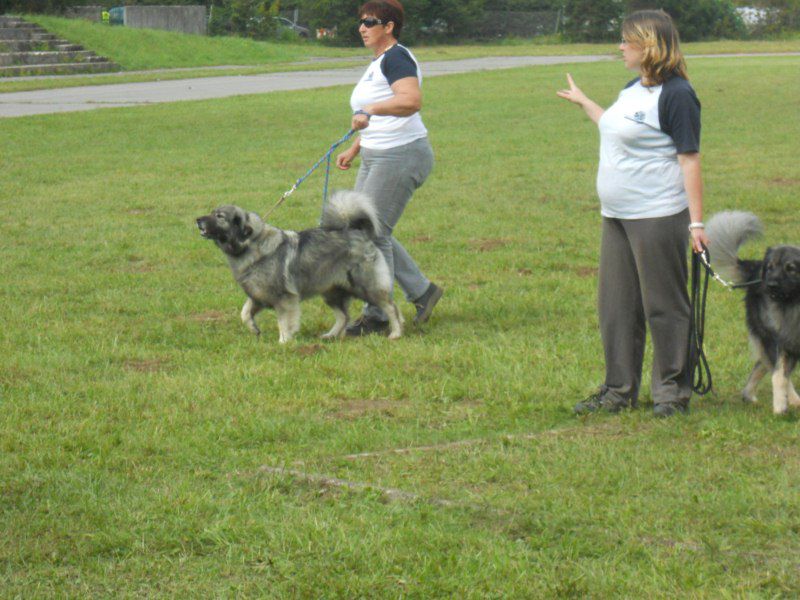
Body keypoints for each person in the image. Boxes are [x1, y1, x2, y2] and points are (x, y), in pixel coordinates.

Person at [557, 9, 709, 417]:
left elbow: (689, 160)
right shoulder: (631, 88)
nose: (620, 47)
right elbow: (613, 126)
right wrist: (585, 102)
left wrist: (696, 223)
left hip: (657, 214)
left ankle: (672, 393)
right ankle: (618, 390)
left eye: (627, 40)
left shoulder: (677, 94)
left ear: (649, 44)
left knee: (664, 305)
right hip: (617, 216)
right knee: (617, 306)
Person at [335, 0, 443, 336]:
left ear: (389, 26)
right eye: (361, 22)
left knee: (370, 233)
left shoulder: (397, 57)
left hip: (401, 155)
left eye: (369, 22)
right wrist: (356, 147)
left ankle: (379, 315)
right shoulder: (379, 61)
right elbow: (376, 116)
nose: (362, 28)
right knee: (362, 228)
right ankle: (423, 291)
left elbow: (411, 100)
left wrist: (370, 107)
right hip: (377, 153)